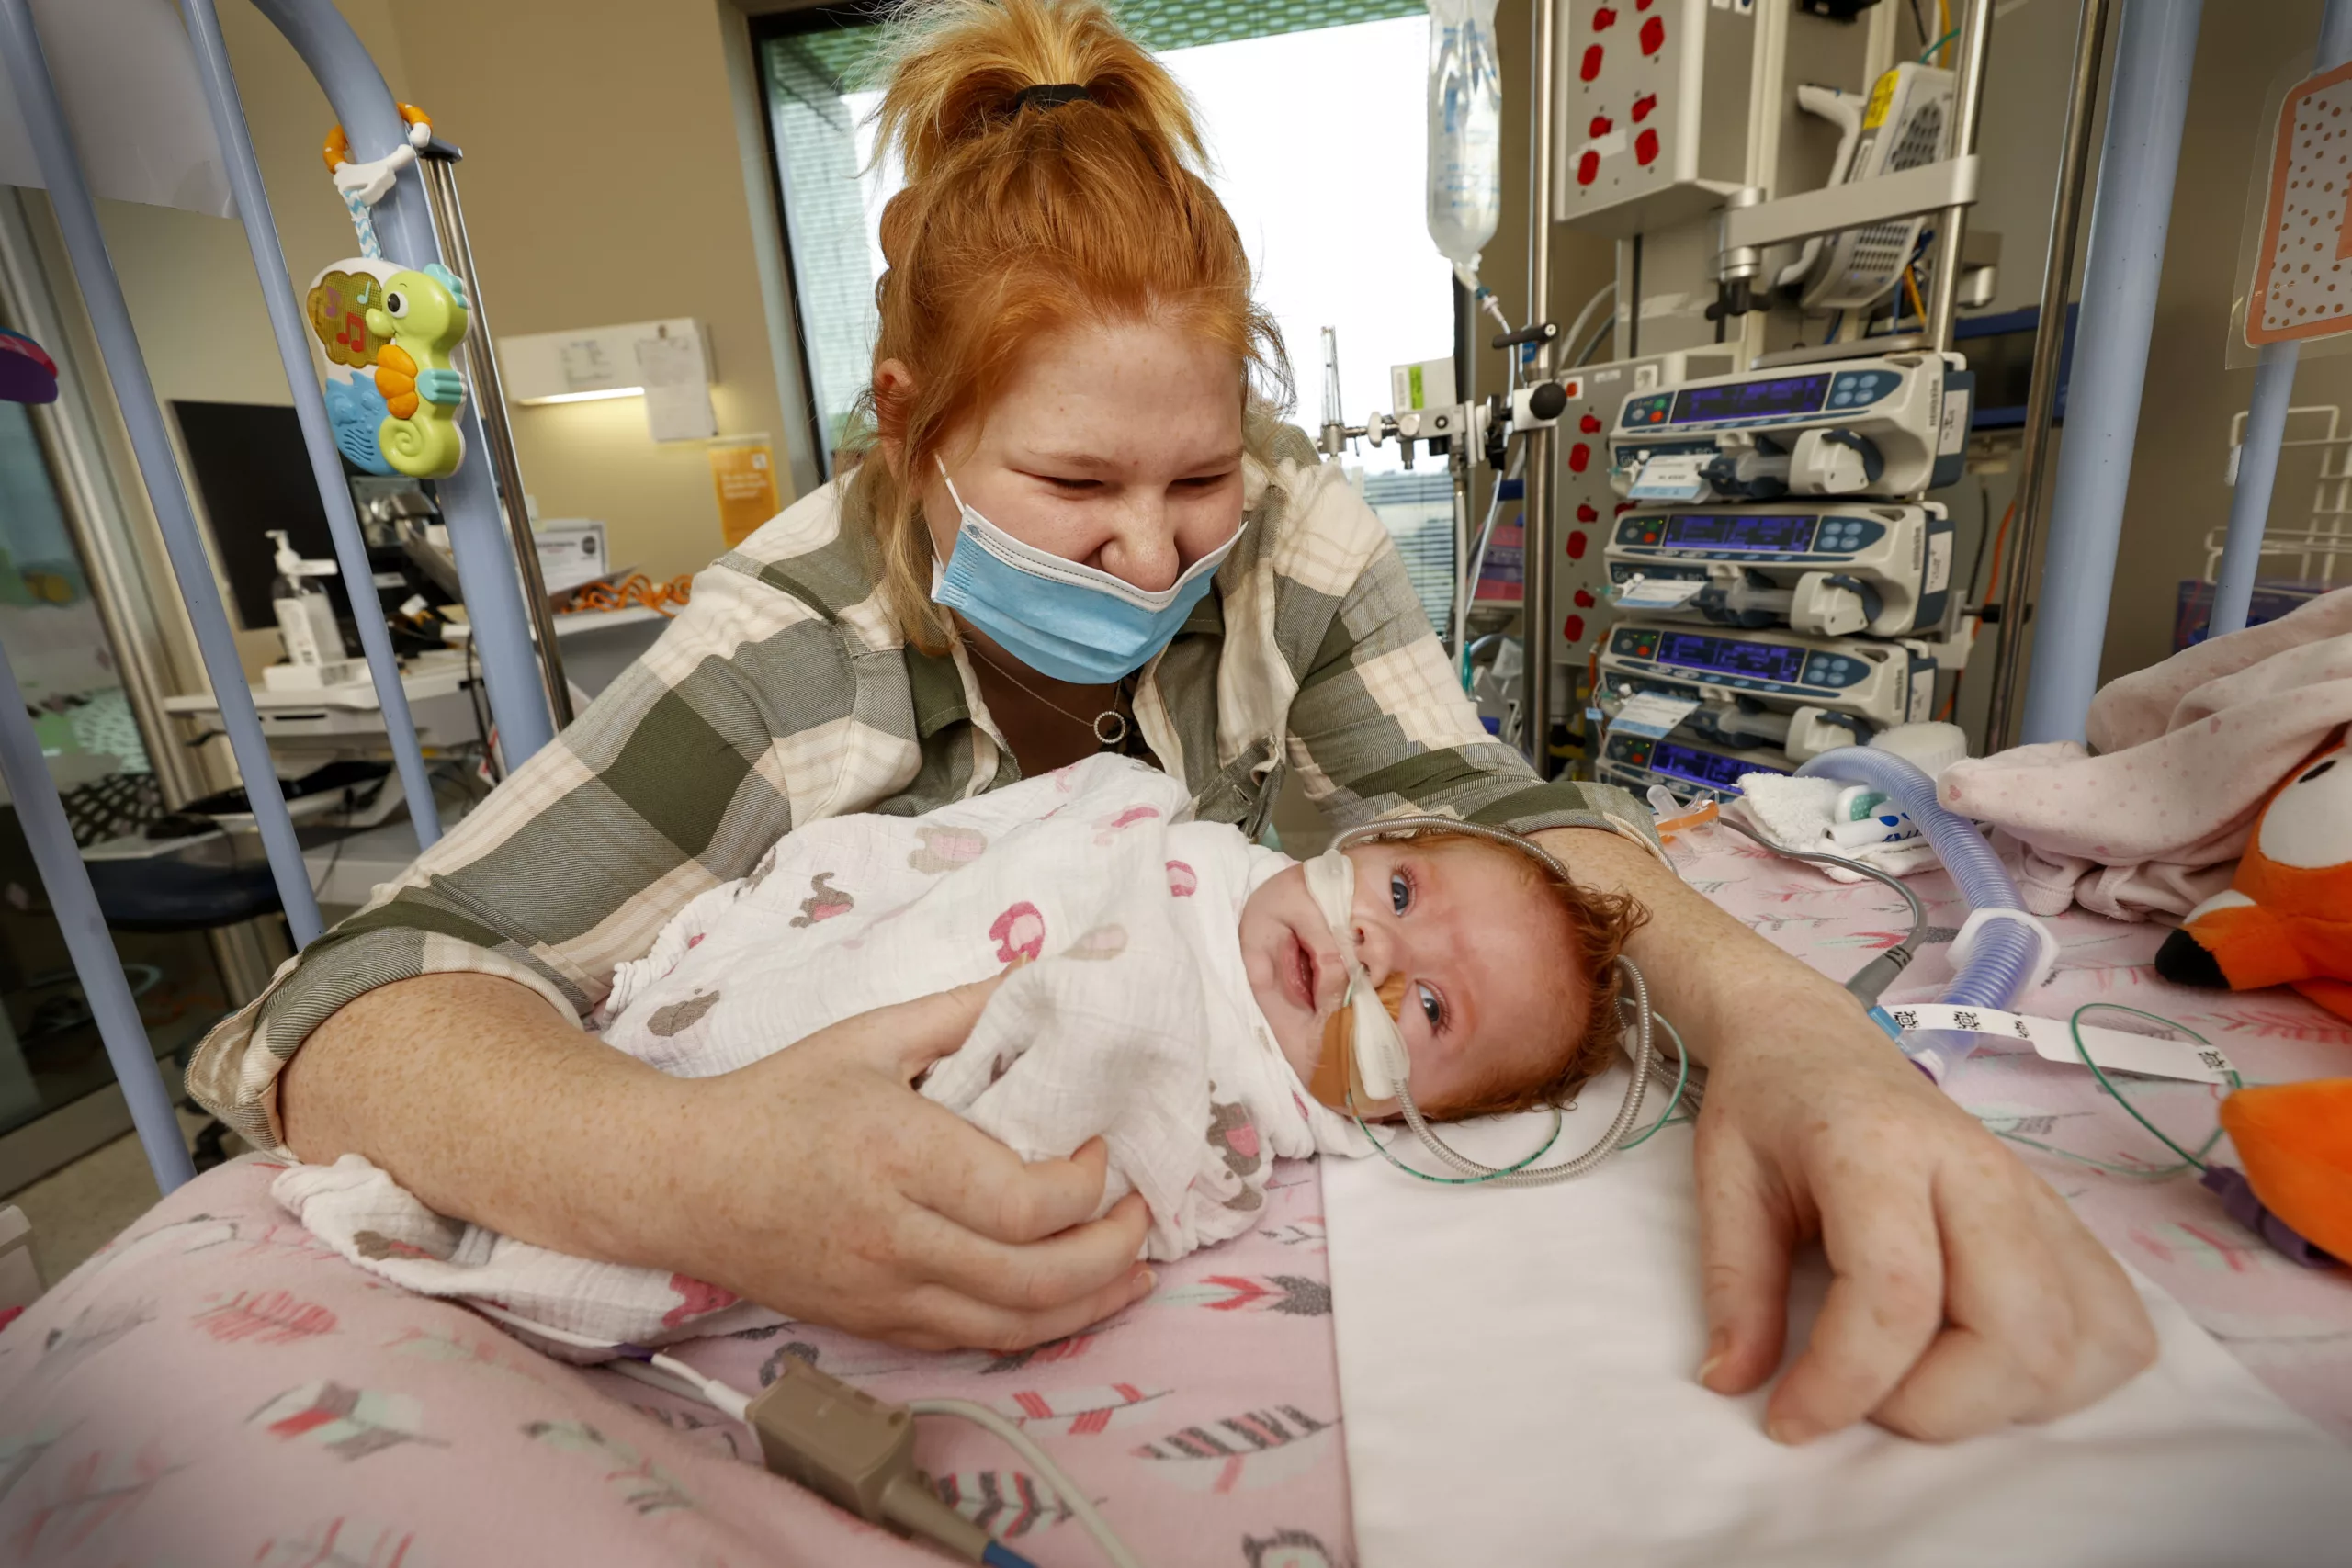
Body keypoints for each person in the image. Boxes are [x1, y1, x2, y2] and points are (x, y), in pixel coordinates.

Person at [189, 0, 2154, 1445]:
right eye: (1069, 491)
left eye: (1195, 478)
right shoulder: (791, 645)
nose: (1150, 557)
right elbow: (352, 995)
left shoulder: (1289, 539)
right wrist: (679, 1168)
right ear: (911, 424)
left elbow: (1472, 808)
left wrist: (1794, 1035)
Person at [274, 753, 1642, 1343]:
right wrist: (670, 1148)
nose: (1376, 956)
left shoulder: (1233, 1110)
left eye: (1430, 1017)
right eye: (1398, 897)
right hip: (723, 1042)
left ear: (1403, 1123)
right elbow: (362, 976)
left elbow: (1089, 1153)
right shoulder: (1170, 829)